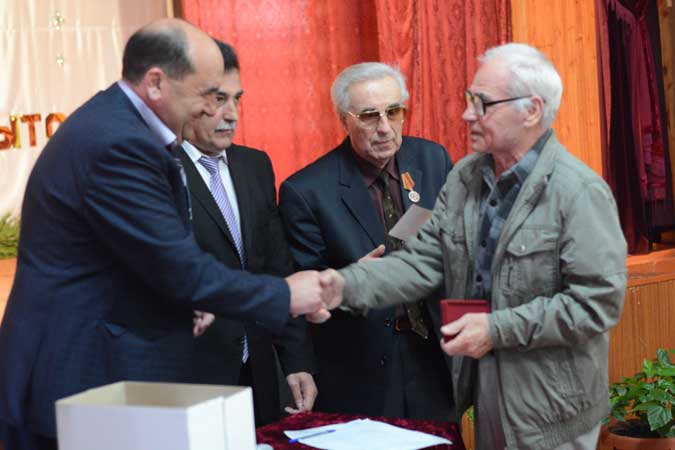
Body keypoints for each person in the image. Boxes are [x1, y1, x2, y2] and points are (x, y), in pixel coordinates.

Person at [0, 19, 327, 450]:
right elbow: (179, 268)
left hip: (102, 373)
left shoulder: (122, 128)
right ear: (156, 82)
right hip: (77, 378)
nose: (214, 110)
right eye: (207, 94)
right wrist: (286, 294)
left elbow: (129, 258)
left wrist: (180, 302)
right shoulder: (119, 144)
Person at [320, 43, 627, 450]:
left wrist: (496, 329)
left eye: (481, 103)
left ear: (531, 110)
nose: (467, 114)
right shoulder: (465, 177)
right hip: (484, 388)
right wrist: (337, 286)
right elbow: (422, 261)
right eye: (469, 100)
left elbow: (597, 303)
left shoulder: (578, 192)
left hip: (552, 408)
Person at [279, 62, 456, 420]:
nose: (385, 128)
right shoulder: (306, 191)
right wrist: (349, 280)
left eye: (394, 112)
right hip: (361, 365)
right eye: (369, 116)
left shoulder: (432, 158)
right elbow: (300, 293)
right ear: (343, 120)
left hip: (435, 355)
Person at [179, 40, 317, 425]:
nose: (231, 114)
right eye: (218, 100)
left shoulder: (254, 165)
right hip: (192, 376)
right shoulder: (157, 173)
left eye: (237, 100)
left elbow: (278, 268)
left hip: (258, 370)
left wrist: (296, 360)